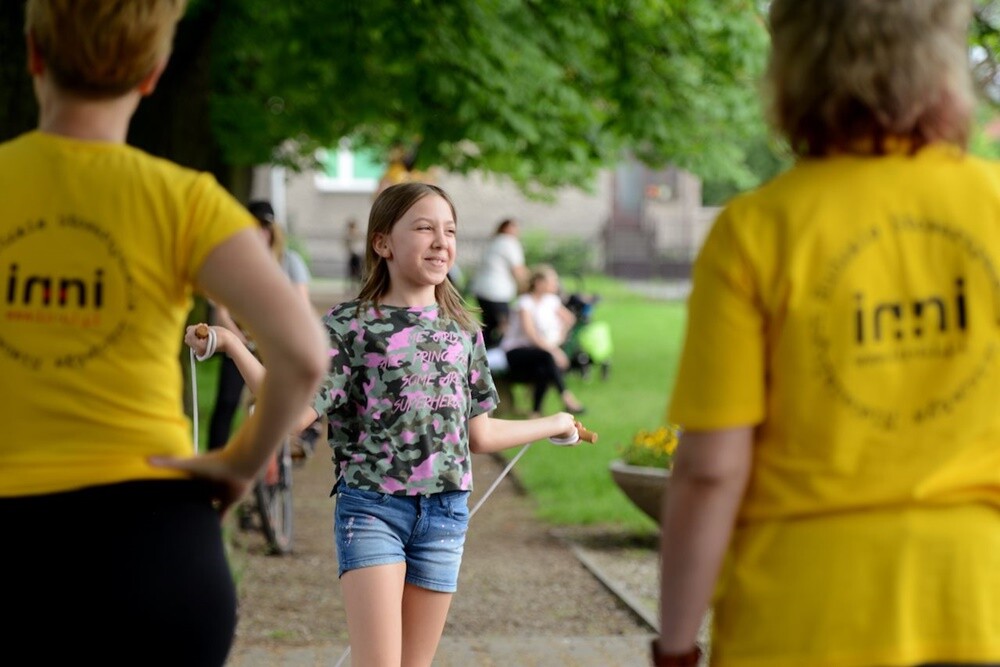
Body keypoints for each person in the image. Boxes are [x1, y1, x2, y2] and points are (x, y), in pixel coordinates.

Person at [654, 1, 1000, 666]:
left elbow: (710, 469)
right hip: (979, 601)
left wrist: (674, 646)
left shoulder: (756, 230)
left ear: (793, 63)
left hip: (802, 618)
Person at [0, 1, 327, 665]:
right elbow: (303, 353)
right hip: (157, 549)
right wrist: (238, 465)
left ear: (33, 54)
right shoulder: (186, 201)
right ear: (154, 72)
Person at [184, 182, 588, 667]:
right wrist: (232, 345)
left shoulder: (464, 330)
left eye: (450, 231)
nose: (440, 241)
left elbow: (479, 435)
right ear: (383, 243)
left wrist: (555, 423)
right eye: (424, 228)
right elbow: (294, 415)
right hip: (372, 511)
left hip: (445, 514)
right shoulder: (349, 325)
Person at [207, 199, 313, 453]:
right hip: (242, 338)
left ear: (273, 230)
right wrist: (236, 340)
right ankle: (213, 462)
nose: (260, 233)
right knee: (227, 402)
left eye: (265, 227)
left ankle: (296, 447)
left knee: (300, 393)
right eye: (253, 226)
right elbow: (221, 312)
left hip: (276, 343)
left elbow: (302, 307)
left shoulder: (289, 262)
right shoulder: (232, 261)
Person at [500, 264, 586, 417]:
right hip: (516, 350)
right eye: (552, 281)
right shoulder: (524, 303)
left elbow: (570, 319)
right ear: (539, 283)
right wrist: (554, 350)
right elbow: (531, 334)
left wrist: (559, 337)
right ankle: (565, 397)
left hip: (540, 352)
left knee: (544, 368)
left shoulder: (551, 301)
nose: (556, 284)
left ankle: (536, 412)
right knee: (547, 357)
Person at [470, 218, 528, 349]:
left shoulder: (492, 242)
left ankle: (480, 352)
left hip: (481, 291)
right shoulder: (509, 242)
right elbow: (518, 270)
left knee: (488, 326)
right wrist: (529, 285)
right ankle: (494, 353)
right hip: (497, 293)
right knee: (503, 326)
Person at [344, 216, 364, 288]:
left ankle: (359, 285)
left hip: (359, 256)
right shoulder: (348, 236)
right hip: (353, 256)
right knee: (352, 272)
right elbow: (346, 245)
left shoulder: (359, 235)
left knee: (359, 271)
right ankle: (352, 286)